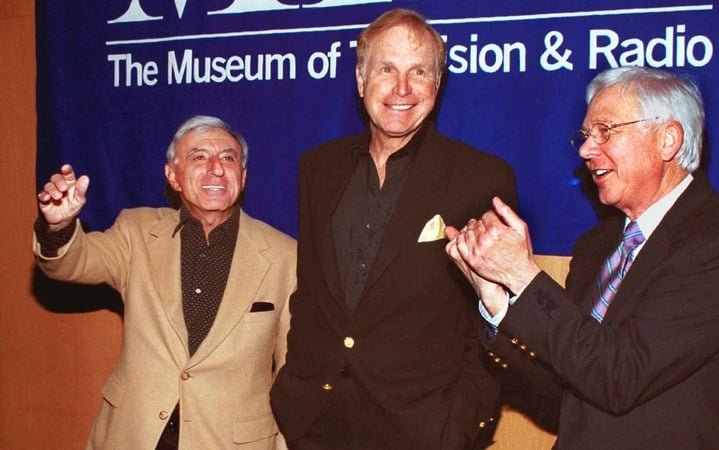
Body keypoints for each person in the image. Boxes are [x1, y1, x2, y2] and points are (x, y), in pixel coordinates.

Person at [445, 66, 719, 449]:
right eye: (585, 135)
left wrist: (522, 275)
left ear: (668, 140)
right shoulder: (595, 248)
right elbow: (565, 394)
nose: (586, 149)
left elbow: (617, 377)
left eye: (605, 131)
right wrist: (497, 300)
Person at [269, 8, 518, 450]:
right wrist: (296, 390)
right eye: (387, 69)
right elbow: (310, 291)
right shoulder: (318, 168)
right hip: (315, 422)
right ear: (361, 80)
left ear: (437, 85)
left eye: (418, 71)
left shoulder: (481, 179)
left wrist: (460, 424)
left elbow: (495, 315)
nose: (402, 88)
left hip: (422, 431)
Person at [34, 115, 297, 450]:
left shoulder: (285, 255)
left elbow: (295, 376)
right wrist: (57, 228)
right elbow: (73, 264)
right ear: (173, 176)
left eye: (228, 158)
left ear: (242, 177)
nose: (216, 168)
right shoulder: (136, 232)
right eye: (199, 157)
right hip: (134, 433)